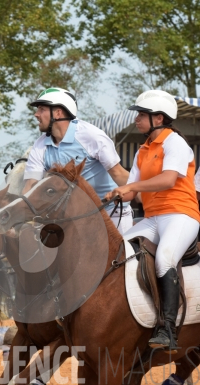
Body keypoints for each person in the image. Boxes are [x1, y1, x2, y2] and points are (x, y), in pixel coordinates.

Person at [106, 90, 200, 352]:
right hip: (153, 218)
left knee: (165, 258)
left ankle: (167, 328)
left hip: (181, 215)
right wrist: (116, 193)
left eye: (141, 115)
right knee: (116, 251)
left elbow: (169, 180)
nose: (137, 119)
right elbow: (133, 193)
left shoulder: (175, 144)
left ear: (158, 118)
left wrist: (132, 186)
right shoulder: (142, 151)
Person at [23, 87, 133, 234]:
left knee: (122, 257)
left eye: (42, 109)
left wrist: (147, 196)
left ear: (58, 112)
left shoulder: (91, 136)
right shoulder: (39, 145)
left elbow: (119, 174)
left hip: (111, 213)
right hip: (75, 218)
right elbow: (30, 185)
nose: (36, 114)